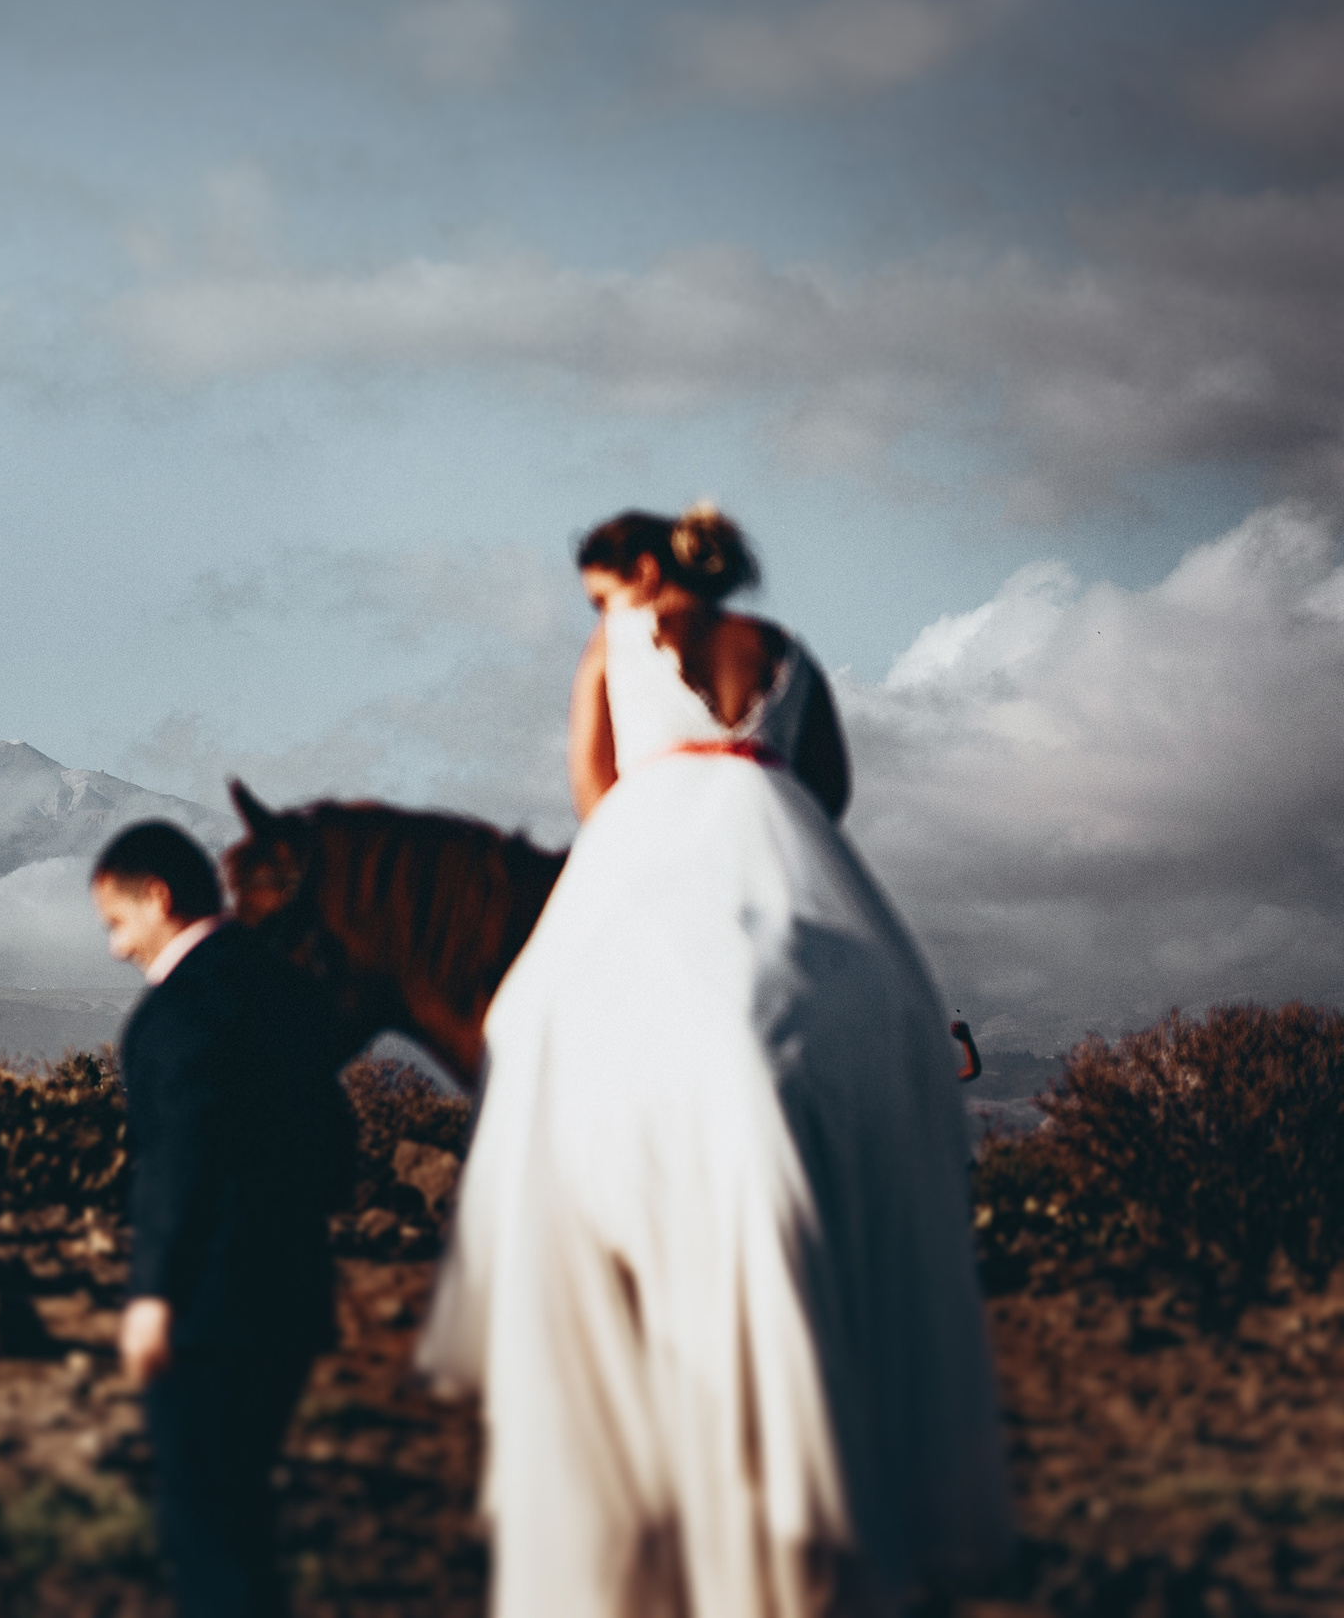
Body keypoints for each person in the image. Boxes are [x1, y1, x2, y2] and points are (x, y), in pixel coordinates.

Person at [415, 504, 1012, 1617]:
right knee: (900, 1012)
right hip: (781, 841)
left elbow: (594, 786)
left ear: (640, 572)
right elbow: (827, 788)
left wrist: (657, 825)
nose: (601, 611)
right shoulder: (783, 654)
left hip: (657, 829)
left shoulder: (618, 641)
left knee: (531, 1021)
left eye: (601, 590)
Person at [91, 820, 352, 1618]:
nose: (115, 946)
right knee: (245, 1524)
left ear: (159, 898)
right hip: (294, 1296)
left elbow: (177, 1164)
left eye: (117, 921)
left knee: (204, 1530)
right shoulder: (289, 989)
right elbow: (337, 1138)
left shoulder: (171, 1018)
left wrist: (151, 1296)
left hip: (210, 1312)